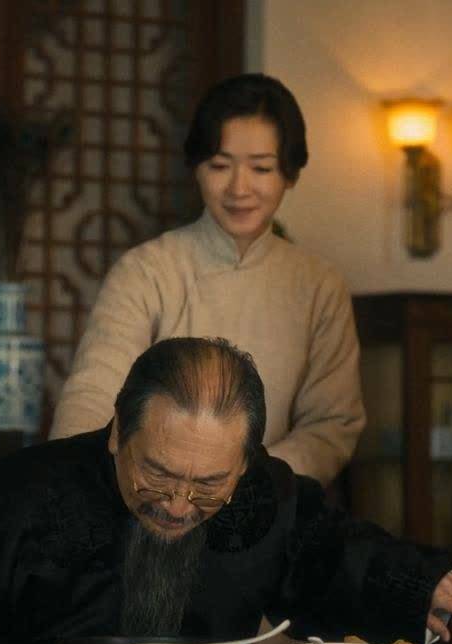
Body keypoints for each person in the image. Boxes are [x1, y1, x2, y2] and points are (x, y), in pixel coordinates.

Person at [0, 337, 452, 644]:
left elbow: (333, 552)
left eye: (209, 485)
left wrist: (419, 586)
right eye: (157, 475)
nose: (179, 506)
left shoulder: (262, 495)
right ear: (117, 432)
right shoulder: (26, 492)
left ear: (244, 464)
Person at [49, 73, 364, 488]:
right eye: (219, 165)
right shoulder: (146, 270)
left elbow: (331, 424)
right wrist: (74, 481)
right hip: (150, 496)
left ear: (290, 174)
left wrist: (242, 483)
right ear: (196, 168)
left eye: (261, 168)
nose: (239, 187)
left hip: (267, 498)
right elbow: (93, 394)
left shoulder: (319, 286)